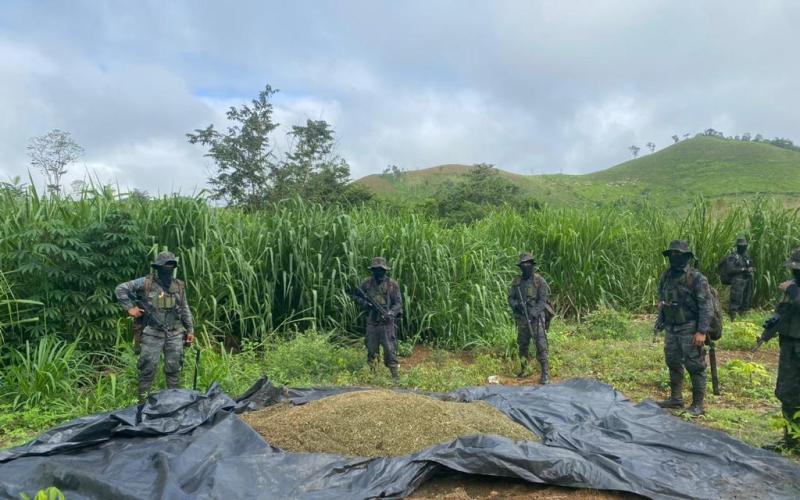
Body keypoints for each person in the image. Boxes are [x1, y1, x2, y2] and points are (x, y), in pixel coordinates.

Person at [115, 251, 194, 403]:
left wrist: (190, 330)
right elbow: (121, 289)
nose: (168, 269)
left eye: (171, 266)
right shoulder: (146, 283)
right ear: (158, 267)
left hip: (175, 333)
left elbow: (184, 308)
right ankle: (142, 406)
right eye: (165, 266)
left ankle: (174, 403)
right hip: (152, 333)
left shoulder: (179, 285)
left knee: (174, 370)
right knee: (147, 370)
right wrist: (130, 308)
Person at [655, 240, 713, 416]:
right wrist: (661, 315)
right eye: (672, 254)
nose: (675, 258)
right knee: (672, 361)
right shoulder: (666, 276)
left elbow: (706, 307)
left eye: (679, 255)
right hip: (672, 327)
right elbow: (662, 298)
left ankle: (698, 405)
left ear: (687, 257)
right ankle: (676, 398)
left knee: (695, 365)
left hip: (690, 327)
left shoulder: (696, 278)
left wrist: (701, 331)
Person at [760, 248, 800, 451]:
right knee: (787, 394)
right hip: (790, 347)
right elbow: (782, 313)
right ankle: (792, 440)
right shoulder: (792, 289)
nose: (795, 274)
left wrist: (794, 291)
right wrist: (768, 332)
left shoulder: (793, 290)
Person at [352, 257, 403, 380]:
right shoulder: (367, 283)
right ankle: (373, 376)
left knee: (390, 351)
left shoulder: (392, 284)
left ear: (385, 270)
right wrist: (365, 304)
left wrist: (390, 313)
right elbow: (355, 295)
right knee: (372, 350)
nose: (378, 272)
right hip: (372, 323)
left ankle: (395, 377)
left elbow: (398, 303)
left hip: (387, 323)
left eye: (381, 270)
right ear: (373, 270)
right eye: (376, 270)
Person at [508, 252, 550, 384]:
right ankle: (524, 369)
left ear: (532, 265)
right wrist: (517, 305)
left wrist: (534, 312)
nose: (526, 266)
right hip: (522, 318)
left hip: (536, 319)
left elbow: (543, 300)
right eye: (523, 264)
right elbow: (510, 298)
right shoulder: (516, 282)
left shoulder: (539, 281)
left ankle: (545, 373)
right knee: (523, 345)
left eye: (528, 263)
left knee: (540, 345)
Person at [723, 237, 755, 320]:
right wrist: (743, 269)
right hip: (738, 281)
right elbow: (729, 270)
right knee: (736, 300)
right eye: (741, 246)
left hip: (747, 280)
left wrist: (751, 269)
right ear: (737, 246)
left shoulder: (746, 256)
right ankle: (733, 317)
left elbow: (750, 265)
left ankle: (743, 318)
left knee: (746, 300)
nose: (743, 247)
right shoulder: (733, 256)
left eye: (745, 246)